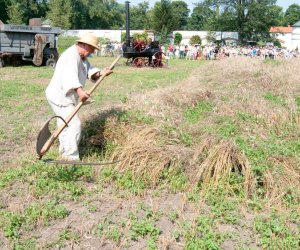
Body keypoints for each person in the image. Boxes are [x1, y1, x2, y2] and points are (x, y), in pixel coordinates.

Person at [45, 33, 113, 161]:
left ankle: (64, 153)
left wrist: (101, 73)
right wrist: (81, 92)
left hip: (66, 97)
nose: (92, 52)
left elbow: (89, 71)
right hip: (59, 97)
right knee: (74, 124)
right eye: (91, 49)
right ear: (84, 45)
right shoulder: (71, 56)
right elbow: (69, 76)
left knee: (65, 125)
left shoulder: (81, 57)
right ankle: (70, 158)